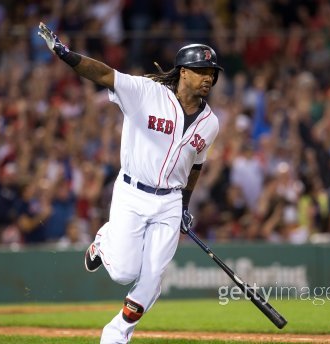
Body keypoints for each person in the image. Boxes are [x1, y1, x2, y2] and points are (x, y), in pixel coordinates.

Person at [38, 22, 223, 343]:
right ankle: (103, 240)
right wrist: (66, 55)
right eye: (201, 69)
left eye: (212, 71)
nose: (208, 76)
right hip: (132, 193)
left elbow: (196, 166)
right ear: (183, 72)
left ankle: (116, 334)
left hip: (169, 202)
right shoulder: (146, 93)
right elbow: (104, 74)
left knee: (152, 279)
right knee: (124, 272)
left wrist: (184, 205)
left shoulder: (211, 123)